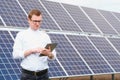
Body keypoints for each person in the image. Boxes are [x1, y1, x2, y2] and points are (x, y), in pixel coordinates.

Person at [12, 9, 56, 80]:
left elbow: (53, 56)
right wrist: (31, 51)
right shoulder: (21, 35)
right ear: (29, 20)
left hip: (44, 75)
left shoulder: (45, 36)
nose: (37, 24)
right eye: (35, 21)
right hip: (28, 76)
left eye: (39, 21)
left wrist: (49, 54)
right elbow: (15, 55)